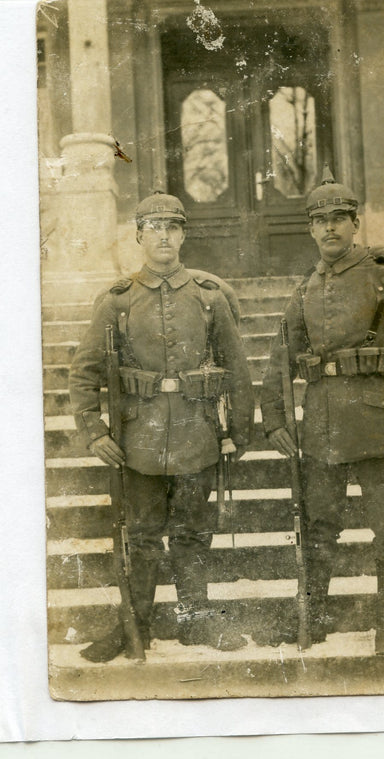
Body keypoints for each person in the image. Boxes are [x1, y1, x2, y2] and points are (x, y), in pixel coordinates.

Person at [260, 167, 384, 655]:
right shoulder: (305, 291)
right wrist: (276, 418)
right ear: (310, 228)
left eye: (338, 218)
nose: (329, 228)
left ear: (355, 222)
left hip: (379, 422)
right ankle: (314, 619)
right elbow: (280, 358)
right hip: (320, 426)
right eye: (319, 220)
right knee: (318, 526)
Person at [69, 192, 254, 661]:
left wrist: (238, 430)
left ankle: (196, 622)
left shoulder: (210, 297)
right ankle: (135, 628)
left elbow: (237, 369)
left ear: (184, 234)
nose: (165, 235)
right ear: (138, 236)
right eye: (154, 227)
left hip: (198, 434)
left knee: (192, 534)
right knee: (144, 536)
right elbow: (84, 371)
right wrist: (94, 430)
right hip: (139, 441)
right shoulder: (118, 301)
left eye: (173, 226)